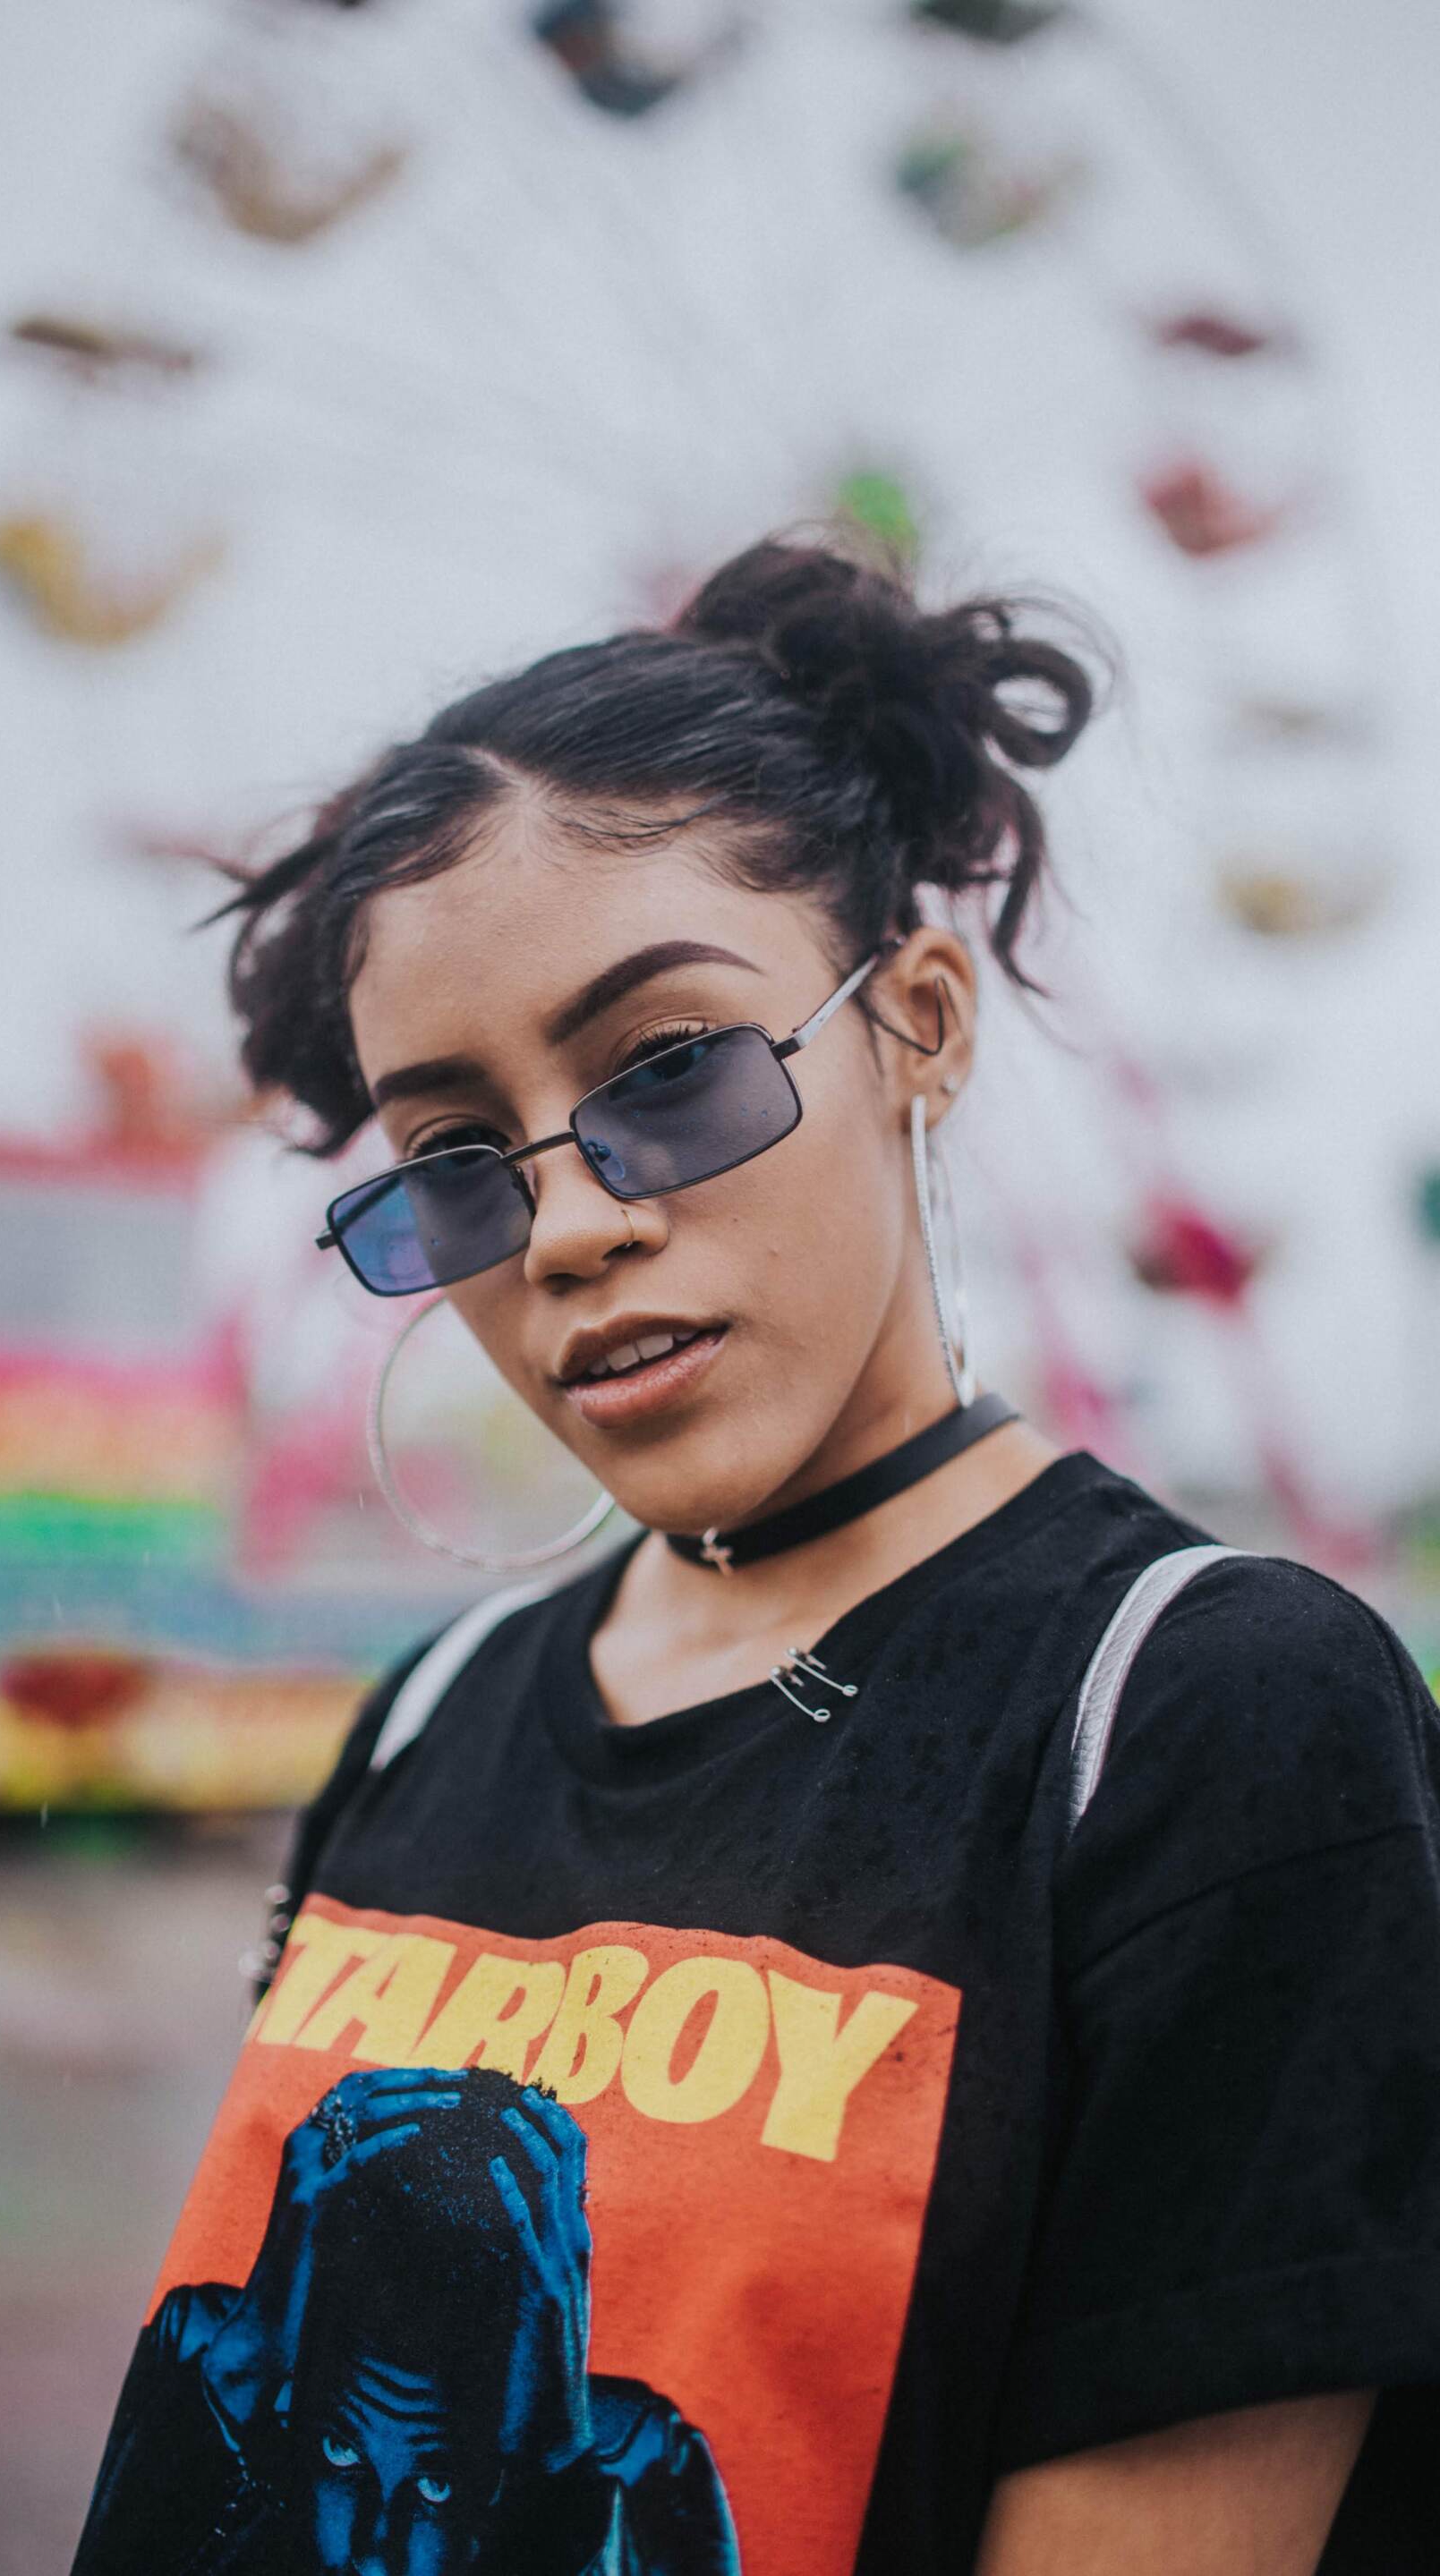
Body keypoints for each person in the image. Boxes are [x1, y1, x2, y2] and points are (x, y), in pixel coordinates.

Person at [71, 536, 1440, 2576]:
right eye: (456, 1164)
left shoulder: (1202, 1723)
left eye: (669, 1074)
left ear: (921, 1024)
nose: (565, 1229)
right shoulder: (431, 1718)